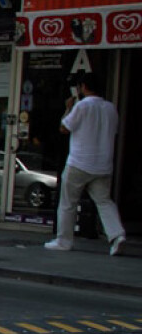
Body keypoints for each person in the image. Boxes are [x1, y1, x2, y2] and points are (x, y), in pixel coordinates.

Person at [45, 73, 127, 256]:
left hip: (79, 162)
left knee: (68, 202)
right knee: (104, 201)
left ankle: (63, 240)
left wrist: (68, 108)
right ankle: (117, 235)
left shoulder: (81, 106)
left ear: (82, 87)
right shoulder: (110, 108)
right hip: (103, 164)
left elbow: (64, 128)